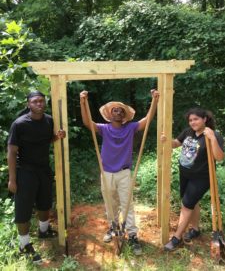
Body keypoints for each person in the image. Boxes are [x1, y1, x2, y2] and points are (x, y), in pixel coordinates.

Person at [80, 89, 159, 255]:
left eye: (120, 111)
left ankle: (132, 235)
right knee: (111, 204)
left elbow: (147, 120)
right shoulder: (104, 128)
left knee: (127, 204)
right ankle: (113, 228)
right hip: (106, 172)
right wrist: (82, 102)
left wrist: (155, 100)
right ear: (109, 115)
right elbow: (88, 123)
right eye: (114, 110)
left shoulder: (130, 128)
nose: (117, 112)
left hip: (124, 173)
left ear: (124, 116)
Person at [7, 91, 66, 264]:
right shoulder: (19, 124)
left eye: (41, 101)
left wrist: (57, 137)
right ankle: (24, 245)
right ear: (28, 105)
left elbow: (45, 140)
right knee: (23, 209)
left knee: (45, 201)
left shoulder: (49, 120)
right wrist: (12, 179)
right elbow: (11, 152)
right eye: (35, 101)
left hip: (43, 169)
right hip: (25, 171)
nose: (39, 104)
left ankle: (43, 231)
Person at [162, 107, 224, 251]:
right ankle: (195, 229)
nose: (192, 122)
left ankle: (177, 238)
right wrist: (167, 141)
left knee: (186, 204)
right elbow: (176, 143)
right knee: (192, 202)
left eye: (196, 119)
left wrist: (213, 138)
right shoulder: (188, 132)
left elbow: (219, 158)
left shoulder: (213, 134)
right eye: (190, 120)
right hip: (185, 174)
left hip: (201, 177)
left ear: (204, 119)